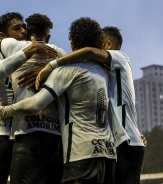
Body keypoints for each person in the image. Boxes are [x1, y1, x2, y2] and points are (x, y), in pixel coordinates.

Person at [0, 17, 117, 184]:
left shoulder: (66, 70)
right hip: (108, 154)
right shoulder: (106, 72)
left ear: (73, 43)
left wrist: (5, 111)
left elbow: (36, 103)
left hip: (80, 154)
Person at [35, 26, 145, 184]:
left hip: (126, 142)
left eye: (98, 45)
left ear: (107, 45)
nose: (95, 49)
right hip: (119, 143)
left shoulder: (120, 58)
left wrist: (52, 65)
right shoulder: (105, 71)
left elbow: (88, 52)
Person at [0, 12, 57, 184]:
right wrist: (29, 50)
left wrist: (49, 71)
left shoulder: (33, 54)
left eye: (24, 26)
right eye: (16, 28)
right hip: (0, 132)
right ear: (2, 35)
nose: (23, 31)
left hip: (25, 134)